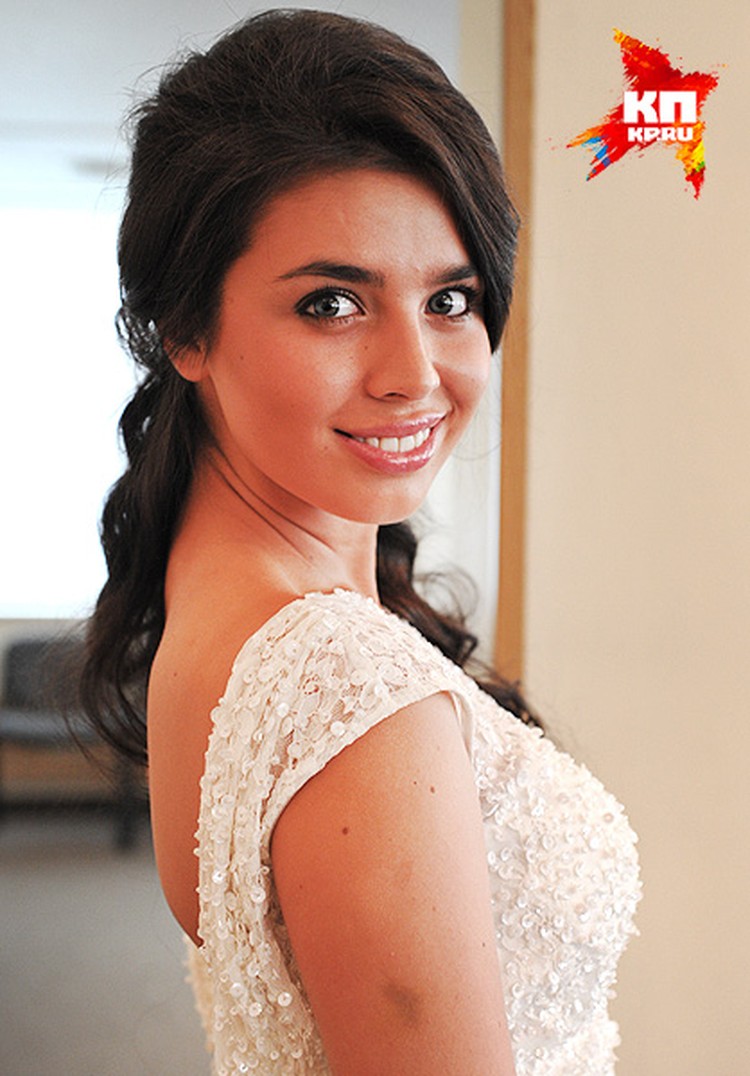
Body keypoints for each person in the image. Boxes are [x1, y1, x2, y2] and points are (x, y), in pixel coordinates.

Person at [80, 10, 641, 1074]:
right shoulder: (344, 687)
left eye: (450, 299)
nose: (415, 375)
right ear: (183, 327)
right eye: (332, 303)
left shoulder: (221, 596)